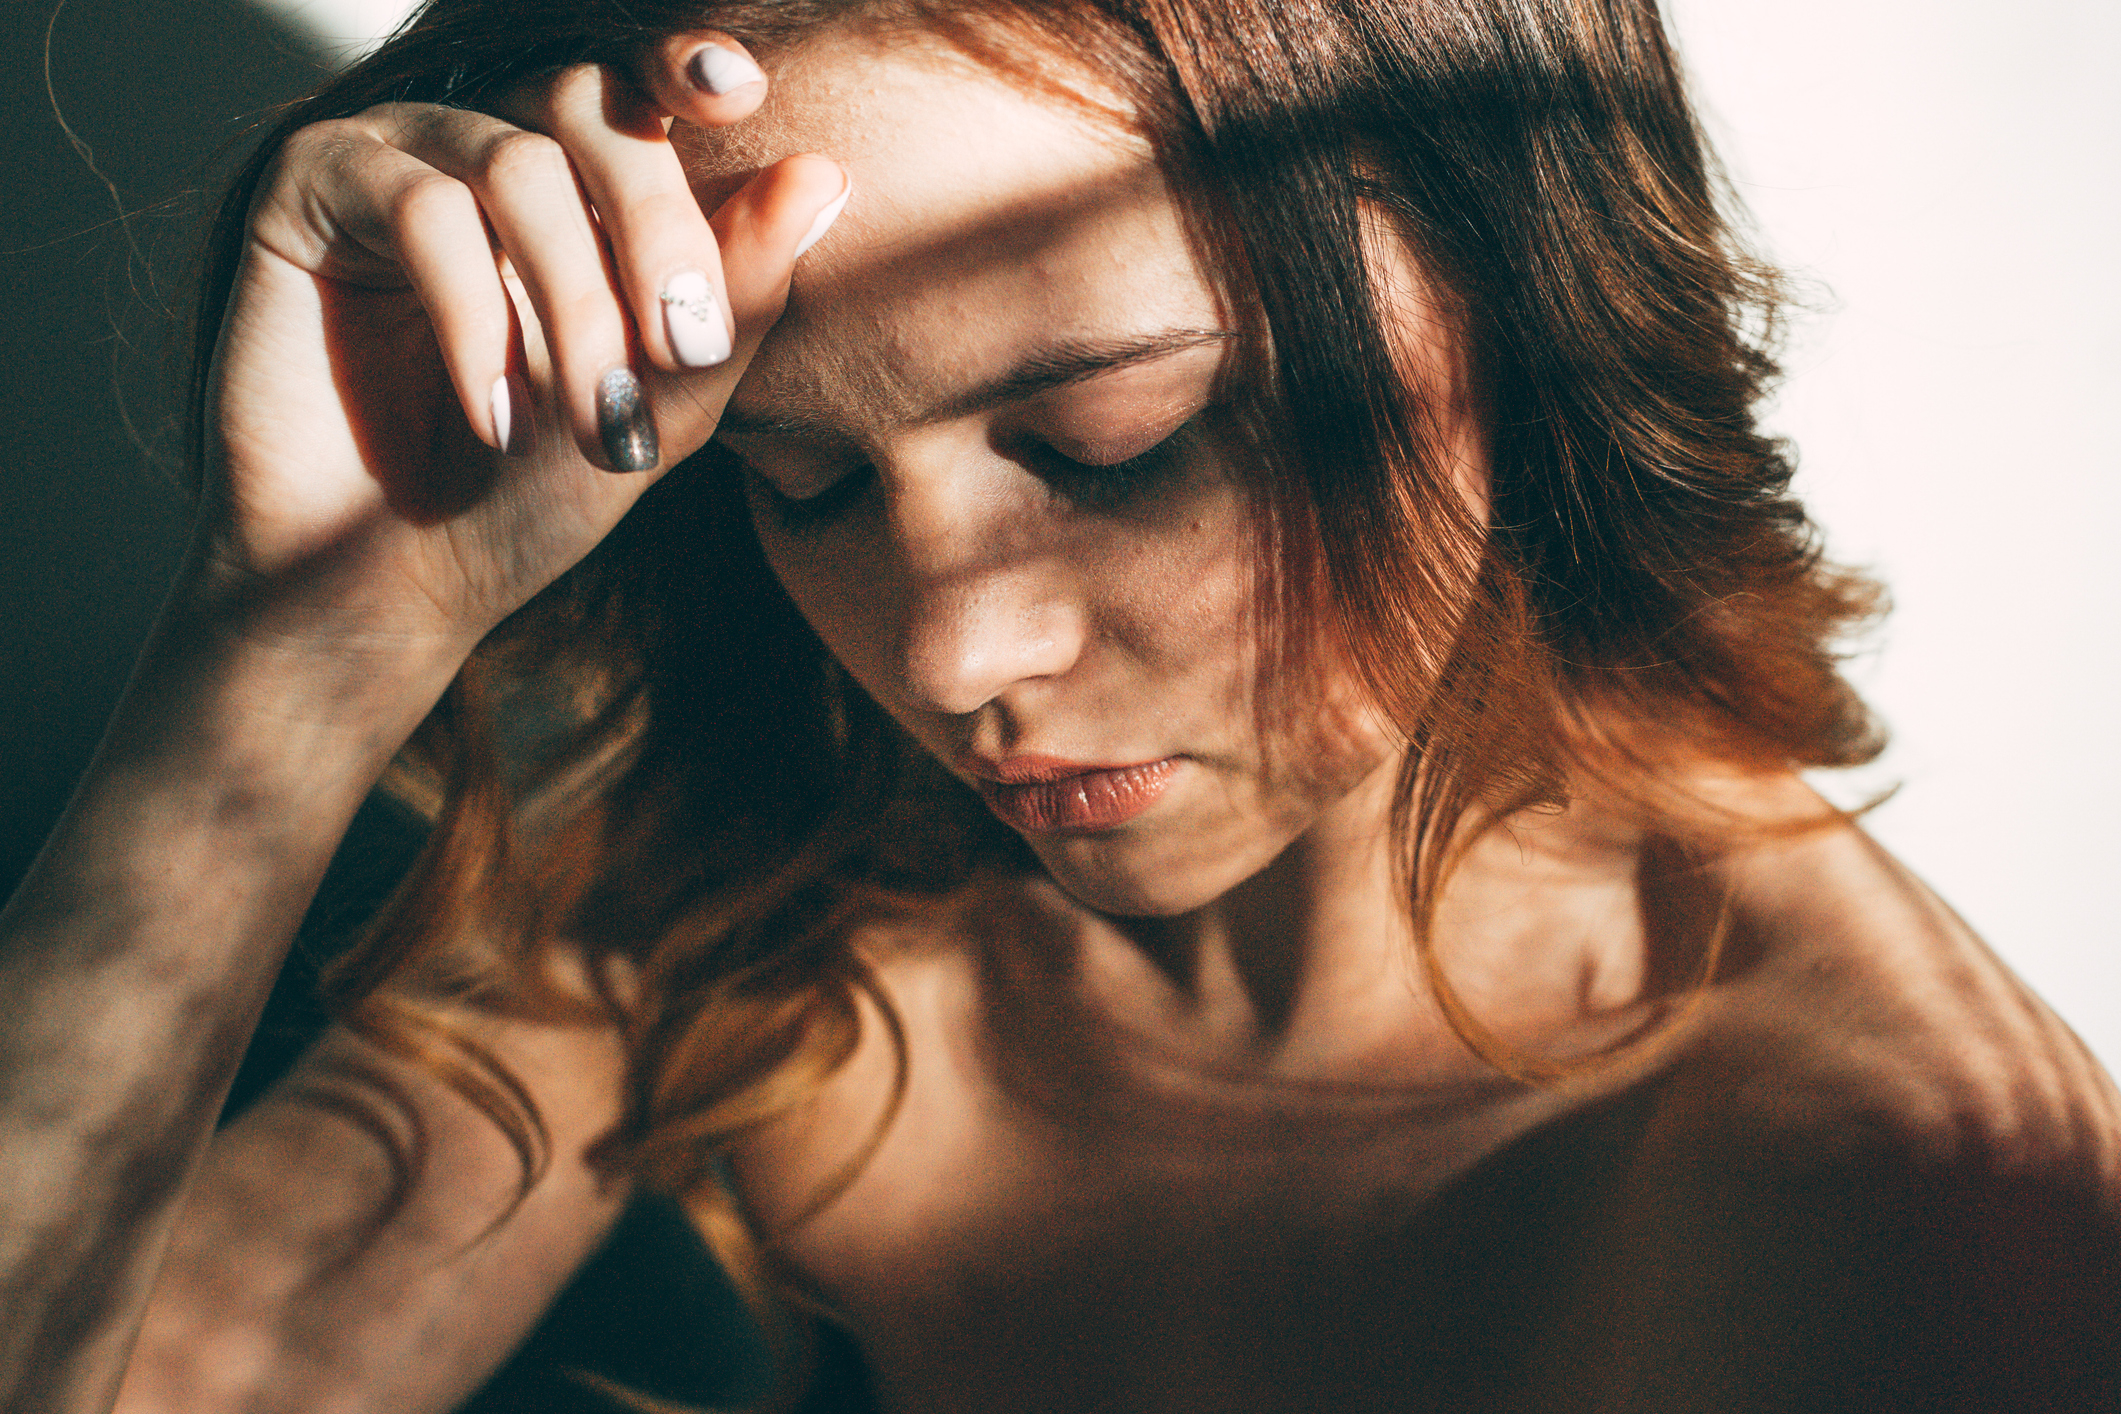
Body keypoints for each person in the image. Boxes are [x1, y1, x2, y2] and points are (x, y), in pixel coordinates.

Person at [1, 0, 2115, 1410]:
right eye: (800, 482)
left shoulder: (1896, 1220)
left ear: (1524, 310)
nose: (946, 656)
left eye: (1112, 441)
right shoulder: (778, 851)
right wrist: (301, 630)